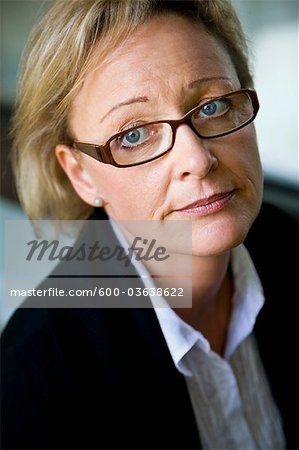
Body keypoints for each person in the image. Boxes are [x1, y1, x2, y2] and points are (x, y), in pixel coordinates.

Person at [1, 0, 298, 449]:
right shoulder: (35, 378)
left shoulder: (289, 239)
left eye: (214, 104)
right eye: (133, 135)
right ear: (80, 173)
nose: (197, 160)